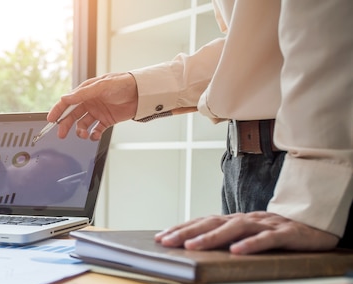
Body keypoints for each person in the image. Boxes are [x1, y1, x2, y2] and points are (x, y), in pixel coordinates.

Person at [48, 0, 353, 255]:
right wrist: (141, 88)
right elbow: (258, 46)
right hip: (247, 167)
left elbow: (332, 23)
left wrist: (316, 186)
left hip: (315, 176)